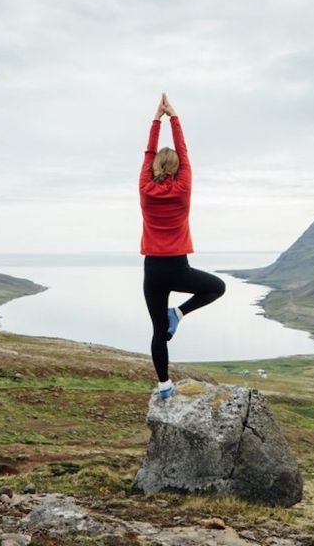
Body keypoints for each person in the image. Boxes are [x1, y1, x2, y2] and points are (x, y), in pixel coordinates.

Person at [139, 93, 225, 400]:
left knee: (158, 331)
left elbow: (149, 152)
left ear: (153, 168)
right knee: (217, 287)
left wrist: (155, 119)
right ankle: (180, 312)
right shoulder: (184, 186)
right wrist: (173, 117)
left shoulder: (146, 189)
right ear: (177, 168)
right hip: (178, 268)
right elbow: (184, 152)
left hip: (152, 270)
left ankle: (164, 387)